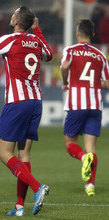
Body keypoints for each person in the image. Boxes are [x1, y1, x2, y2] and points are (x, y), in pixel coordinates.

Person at [0, 7, 52, 216]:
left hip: (17, 102)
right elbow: (50, 55)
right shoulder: (37, 41)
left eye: (13, 14)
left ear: (16, 20)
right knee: (23, 154)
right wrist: (37, 29)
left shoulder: (10, 39)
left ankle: (37, 188)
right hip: (36, 101)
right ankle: (19, 207)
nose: (11, 16)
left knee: (3, 153)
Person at [61, 19, 109, 196]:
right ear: (93, 35)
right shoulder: (101, 55)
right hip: (95, 106)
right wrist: (96, 83)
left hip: (77, 104)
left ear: (77, 33)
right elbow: (107, 83)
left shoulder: (70, 50)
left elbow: (65, 66)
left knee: (70, 143)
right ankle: (90, 186)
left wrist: (65, 81)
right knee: (92, 148)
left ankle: (83, 158)